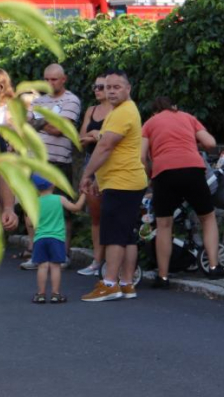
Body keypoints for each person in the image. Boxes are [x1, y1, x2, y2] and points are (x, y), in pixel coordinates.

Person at [141, 96, 224, 287]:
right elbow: (210, 143)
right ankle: (213, 267)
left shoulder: (149, 123)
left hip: (163, 173)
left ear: (154, 111)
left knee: (164, 225)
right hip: (192, 169)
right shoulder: (187, 117)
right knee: (207, 217)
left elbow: (141, 157)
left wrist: (151, 176)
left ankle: (163, 277)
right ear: (174, 107)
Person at [79, 70, 148, 302]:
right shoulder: (122, 111)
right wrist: (100, 178)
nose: (110, 91)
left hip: (123, 182)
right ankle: (127, 284)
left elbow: (106, 146)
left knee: (113, 235)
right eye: (107, 87)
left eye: (116, 87)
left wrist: (87, 174)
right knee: (126, 235)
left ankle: (110, 283)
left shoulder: (123, 112)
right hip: (125, 180)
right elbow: (116, 151)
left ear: (128, 89)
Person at [23, 63, 81, 270]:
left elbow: (58, 129)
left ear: (63, 79)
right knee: (32, 208)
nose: (49, 83)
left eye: (54, 79)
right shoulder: (39, 100)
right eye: (46, 79)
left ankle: (62, 254)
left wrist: (38, 122)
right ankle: (36, 252)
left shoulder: (71, 100)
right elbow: (25, 123)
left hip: (57, 161)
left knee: (60, 210)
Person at [76, 74, 112, 276]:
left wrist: (94, 136)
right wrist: (95, 136)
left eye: (101, 86)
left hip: (111, 163)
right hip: (92, 162)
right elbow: (81, 139)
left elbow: (111, 139)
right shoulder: (91, 110)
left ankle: (111, 262)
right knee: (96, 216)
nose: (97, 90)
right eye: (95, 87)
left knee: (112, 213)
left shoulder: (117, 110)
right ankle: (97, 261)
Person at [30, 174, 86, 304]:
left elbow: (30, 222)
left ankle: (41, 294)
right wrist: (83, 194)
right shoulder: (59, 199)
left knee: (42, 266)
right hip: (56, 238)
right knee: (55, 266)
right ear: (53, 184)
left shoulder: (34, 202)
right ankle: (55, 294)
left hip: (40, 238)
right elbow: (76, 208)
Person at [0, 68, 19, 254]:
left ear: (1, 85)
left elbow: (15, 128)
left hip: (3, 150)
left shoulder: (9, 105)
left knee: (1, 196)